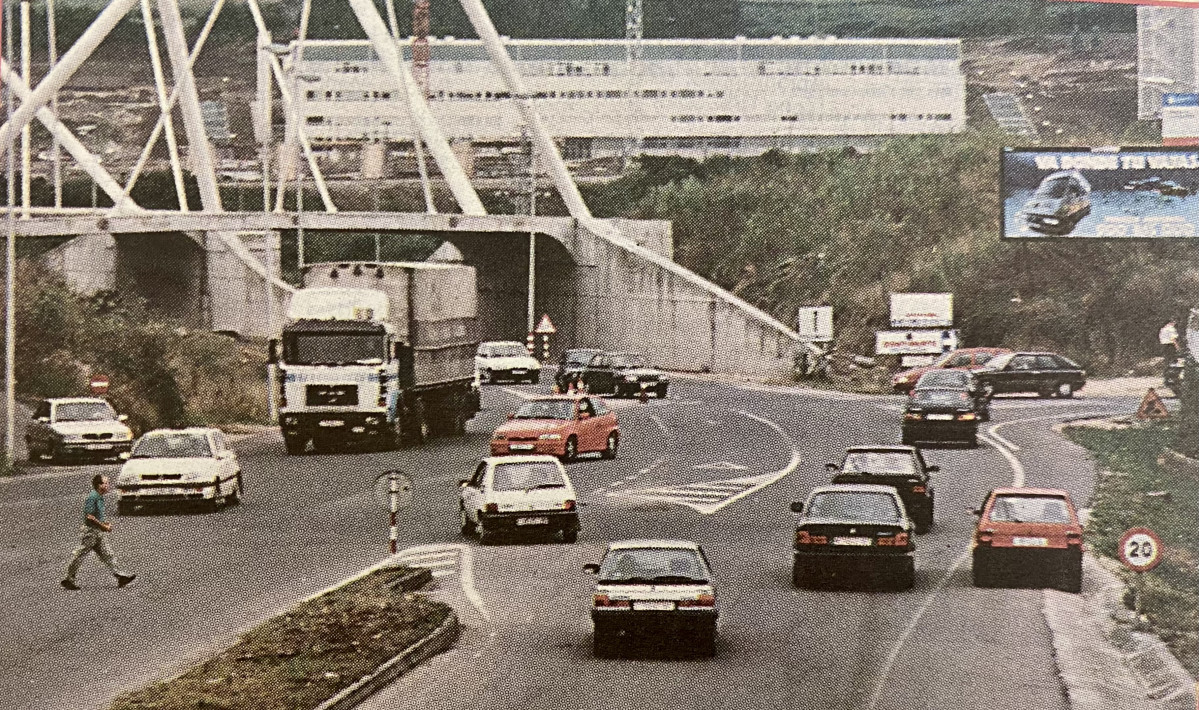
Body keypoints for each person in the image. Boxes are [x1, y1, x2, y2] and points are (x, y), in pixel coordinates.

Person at [62, 474, 136, 590]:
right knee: (80, 554)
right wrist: (104, 526)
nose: (108, 485)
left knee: (107, 554)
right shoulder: (93, 497)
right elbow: (89, 516)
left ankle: (120, 576)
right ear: (99, 485)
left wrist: (105, 524)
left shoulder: (99, 497)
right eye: (105, 483)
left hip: (98, 532)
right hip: (91, 532)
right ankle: (68, 578)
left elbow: (98, 515)